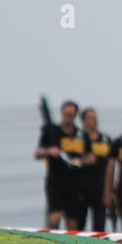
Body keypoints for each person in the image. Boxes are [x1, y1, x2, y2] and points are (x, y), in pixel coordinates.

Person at [34, 99, 89, 230]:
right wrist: (49, 151)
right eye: (66, 114)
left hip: (74, 182)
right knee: (54, 217)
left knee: (72, 221)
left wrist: (80, 161)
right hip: (55, 180)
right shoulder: (52, 131)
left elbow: (91, 157)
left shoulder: (82, 135)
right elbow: (37, 153)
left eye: (71, 114)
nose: (68, 117)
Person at [80, 107, 112, 231]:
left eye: (95, 117)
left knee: (99, 225)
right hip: (82, 186)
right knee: (79, 224)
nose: (95, 120)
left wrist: (110, 190)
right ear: (83, 121)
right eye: (91, 118)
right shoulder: (79, 138)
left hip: (100, 186)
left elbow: (111, 166)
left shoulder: (106, 140)